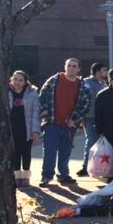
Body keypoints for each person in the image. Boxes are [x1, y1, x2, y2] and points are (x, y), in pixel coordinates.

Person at [39, 58, 91, 187]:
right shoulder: (54, 80)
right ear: (65, 66)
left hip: (70, 125)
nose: (71, 68)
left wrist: (75, 119)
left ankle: (63, 175)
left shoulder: (83, 85)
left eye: (74, 66)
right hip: (52, 123)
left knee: (65, 151)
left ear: (79, 69)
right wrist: (45, 111)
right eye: (69, 66)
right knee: (49, 151)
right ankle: (46, 176)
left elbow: (86, 105)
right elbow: (42, 96)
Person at [9, 70, 40, 188]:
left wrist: (35, 131)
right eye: (15, 79)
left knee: (26, 153)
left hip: (26, 129)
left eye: (20, 80)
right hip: (12, 129)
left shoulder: (32, 93)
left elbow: (36, 113)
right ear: (12, 79)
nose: (17, 82)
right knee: (15, 153)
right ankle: (17, 177)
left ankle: (26, 177)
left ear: (25, 82)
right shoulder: (7, 92)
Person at [77, 62, 108, 177]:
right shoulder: (86, 82)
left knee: (100, 142)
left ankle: (97, 166)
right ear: (97, 71)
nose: (106, 72)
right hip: (89, 117)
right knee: (91, 140)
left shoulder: (104, 84)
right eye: (104, 70)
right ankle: (85, 167)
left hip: (101, 118)